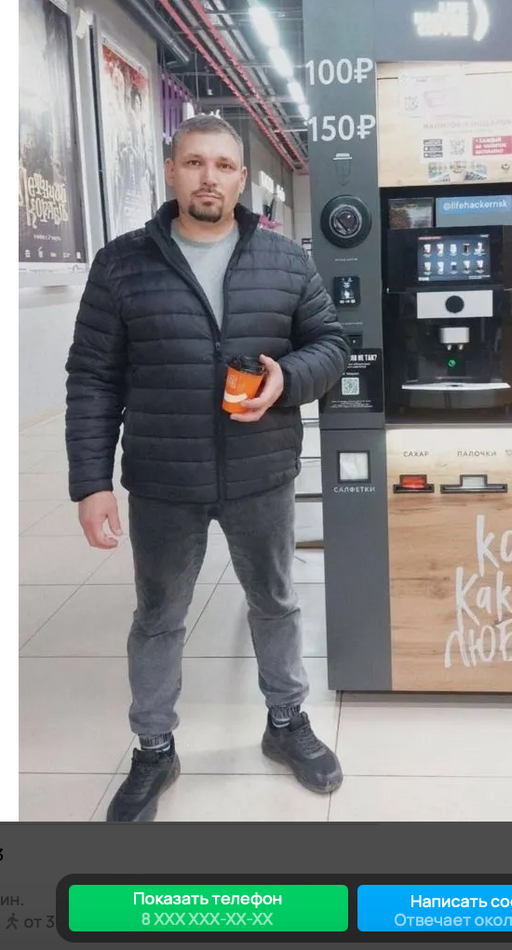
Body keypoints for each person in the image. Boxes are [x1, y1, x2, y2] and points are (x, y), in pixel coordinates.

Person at [65, 114, 350, 822]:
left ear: (242, 179)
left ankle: (286, 722)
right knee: (159, 616)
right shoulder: (122, 264)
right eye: (194, 162)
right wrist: (91, 483)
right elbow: (93, 378)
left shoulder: (283, 261)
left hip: (261, 471)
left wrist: (287, 377)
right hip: (165, 478)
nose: (208, 178)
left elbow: (331, 344)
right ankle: (154, 746)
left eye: (223, 165)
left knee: (275, 603)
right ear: (171, 171)